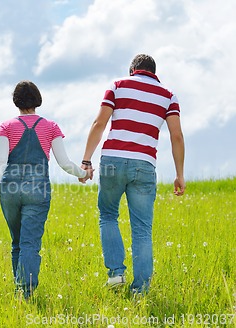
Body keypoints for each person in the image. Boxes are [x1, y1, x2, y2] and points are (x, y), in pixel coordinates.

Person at [81, 54, 186, 294]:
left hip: (113, 161)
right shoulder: (168, 96)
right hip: (144, 165)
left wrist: (86, 160)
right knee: (142, 229)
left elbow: (99, 123)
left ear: (133, 70)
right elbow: (176, 136)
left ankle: (116, 274)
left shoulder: (117, 86)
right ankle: (140, 289)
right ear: (154, 72)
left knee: (108, 215)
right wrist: (180, 174)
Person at [0, 81, 93, 299]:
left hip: (10, 190)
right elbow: (64, 162)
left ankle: (20, 291)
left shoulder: (6, 126)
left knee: (17, 242)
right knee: (29, 244)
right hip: (37, 190)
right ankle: (25, 292)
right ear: (37, 99)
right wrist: (83, 173)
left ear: (16, 101)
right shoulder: (50, 127)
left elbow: (0, 161)